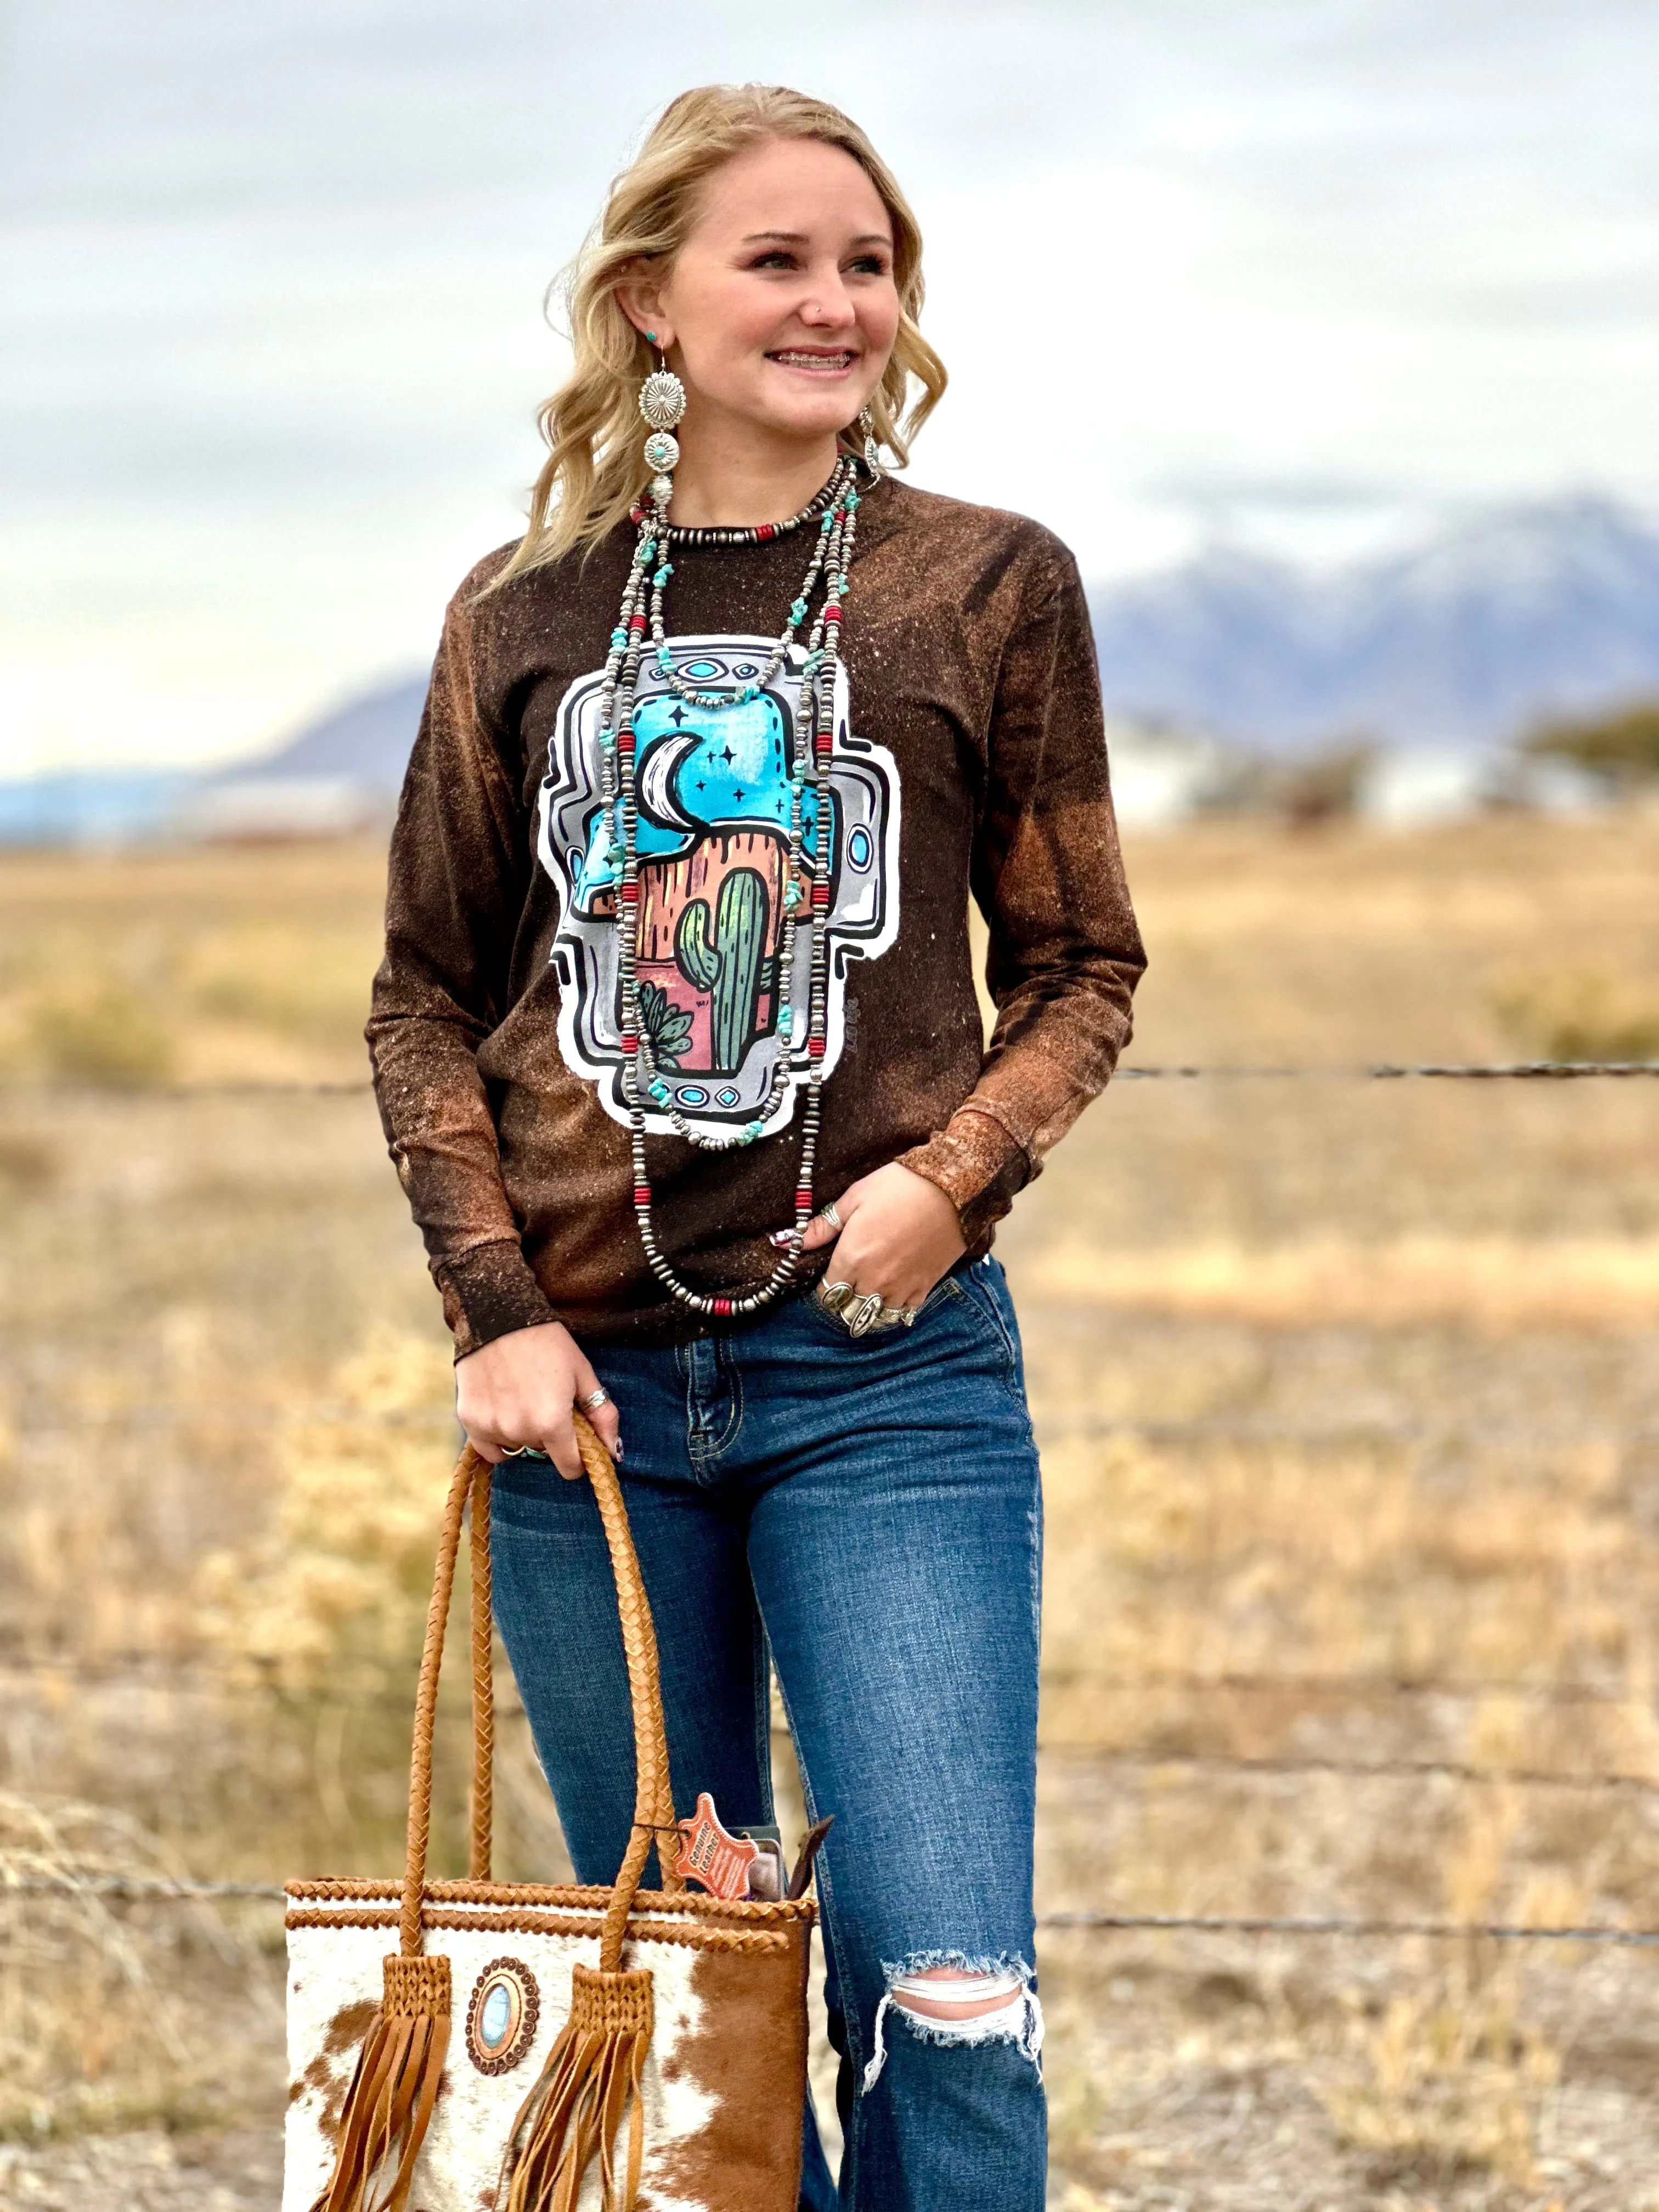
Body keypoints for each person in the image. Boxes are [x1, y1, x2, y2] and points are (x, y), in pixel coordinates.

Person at [368, 81, 1144, 2212]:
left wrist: (949, 1181)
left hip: (887, 1387)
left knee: (952, 1986)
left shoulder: (983, 585)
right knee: (685, 2016)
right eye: (776, 260)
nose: (834, 303)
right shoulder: (520, 615)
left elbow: (1084, 967)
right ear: (649, 304)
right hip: (585, 1410)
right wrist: (495, 1315)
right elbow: (425, 998)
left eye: (867, 264)